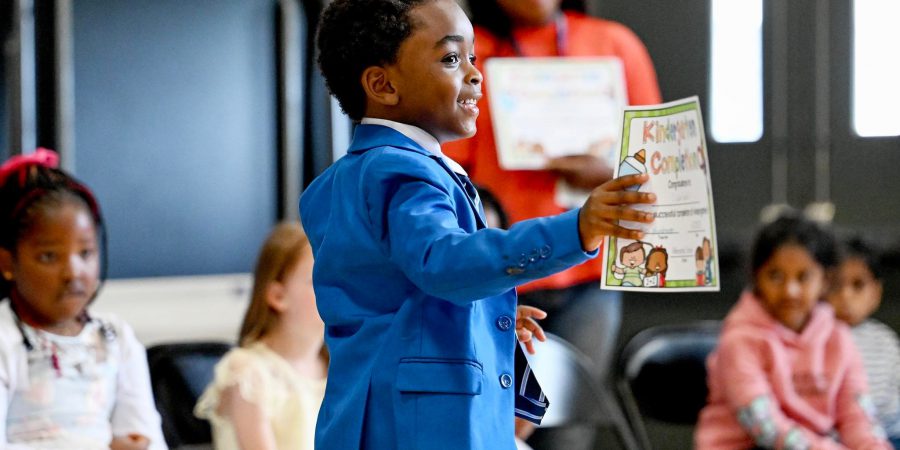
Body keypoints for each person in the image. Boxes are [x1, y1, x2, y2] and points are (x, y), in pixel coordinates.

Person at [300, 1, 657, 448]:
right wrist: (576, 228)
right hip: (420, 428)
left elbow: (396, 292)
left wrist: (485, 314)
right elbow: (444, 263)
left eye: (472, 56)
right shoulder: (402, 172)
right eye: (452, 58)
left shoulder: (349, 177)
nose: (475, 72)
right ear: (382, 84)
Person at [443, 1, 662, 433]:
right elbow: (447, 168)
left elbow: (659, 159)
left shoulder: (614, 43)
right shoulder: (468, 52)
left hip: (589, 280)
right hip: (499, 278)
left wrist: (608, 170)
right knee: (488, 426)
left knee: (569, 432)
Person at [0, 148, 165, 450]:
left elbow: (146, 437)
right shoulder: (4, 339)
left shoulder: (116, 338)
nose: (73, 272)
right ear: (8, 264)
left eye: (86, 253)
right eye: (49, 256)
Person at [695, 213, 891, 449]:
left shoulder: (838, 338)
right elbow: (765, 427)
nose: (790, 290)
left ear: (826, 280)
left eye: (804, 277)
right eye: (775, 276)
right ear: (757, 277)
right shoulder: (739, 340)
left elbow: (857, 417)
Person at [194, 222, 327, 450]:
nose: (334, 290)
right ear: (278, 296)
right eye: (318, 279)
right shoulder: (249, 373)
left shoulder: (336, 366)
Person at [826, 235, 900, 447]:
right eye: (835, 286)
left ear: (876, 292)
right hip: (837, 438)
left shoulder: (886, 340)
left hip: (889, 433)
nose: (846, 295)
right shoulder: (816, 339)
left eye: (858, 285)